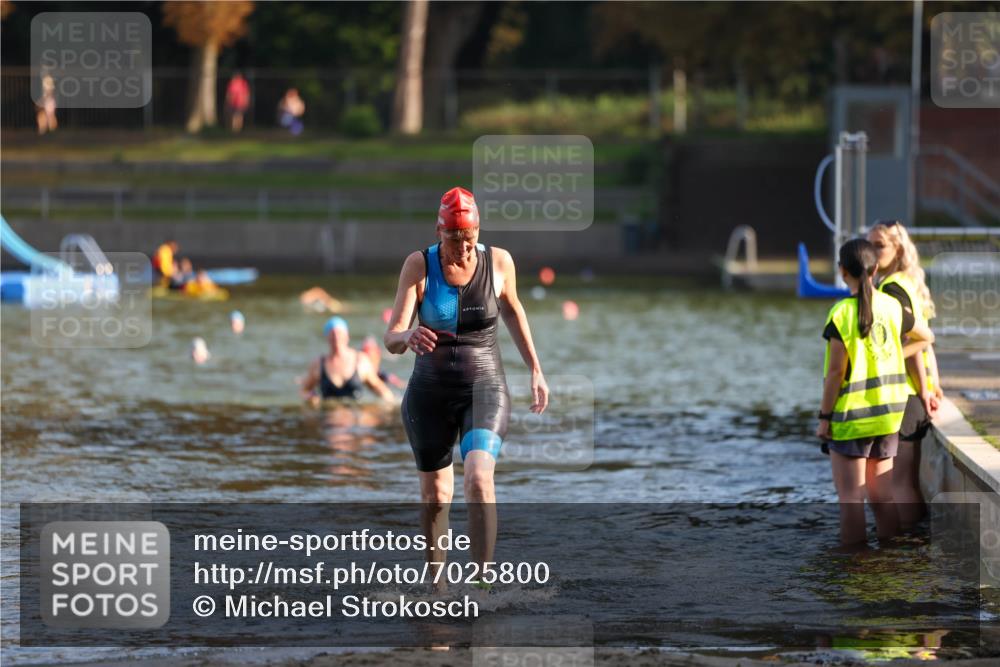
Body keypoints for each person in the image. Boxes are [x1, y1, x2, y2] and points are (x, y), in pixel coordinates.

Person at [384, 186, 549, 584]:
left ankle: (482, 582)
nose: (462, 249)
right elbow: (391, 336)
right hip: (429, 394)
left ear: (478, 231)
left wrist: (535, 369)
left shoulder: (500, 262)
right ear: (439, 233)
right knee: (436, 497)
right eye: (453, 240)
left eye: (469, 239)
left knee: (477, 477)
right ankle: (437, 583)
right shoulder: (419, 265)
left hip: (485, 387)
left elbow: (513, 312)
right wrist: (406, 337)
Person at [816, 238, 933, 547]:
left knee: (851, 499)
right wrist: (896, 351)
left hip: (852, 416)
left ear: (843, 271)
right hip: (888, 415)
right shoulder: (892, 307)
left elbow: (835, 374)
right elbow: (926, 336)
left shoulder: (840, 314)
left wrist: (824, 418)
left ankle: (855, 568)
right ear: (875, 269)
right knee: (882, 495)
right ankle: (890, 558)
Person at [869, 220, 942, 527]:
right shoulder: (907, 281)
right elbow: (926, 341)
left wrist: (924, 389)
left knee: (899, 483)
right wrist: (933, 383)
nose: (872, 252)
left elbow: (914, 341)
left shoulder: (891, 288)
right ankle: (913, 552)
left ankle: (907, 550)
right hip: (915, 393)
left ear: (896, 249)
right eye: (868, 245)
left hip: (906, 394)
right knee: (906, 482)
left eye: (879, 246)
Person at [300, 317, 396, 406]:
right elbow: (304, 390)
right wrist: (310, 399)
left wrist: (391, 407)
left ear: (347, 336)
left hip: (356, 419)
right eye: (332, 334)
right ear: (327, 338)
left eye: (340, 334)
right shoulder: (318, 363)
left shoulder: (360, 360)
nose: (336, 338)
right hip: (329, 417)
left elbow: (380, 389)